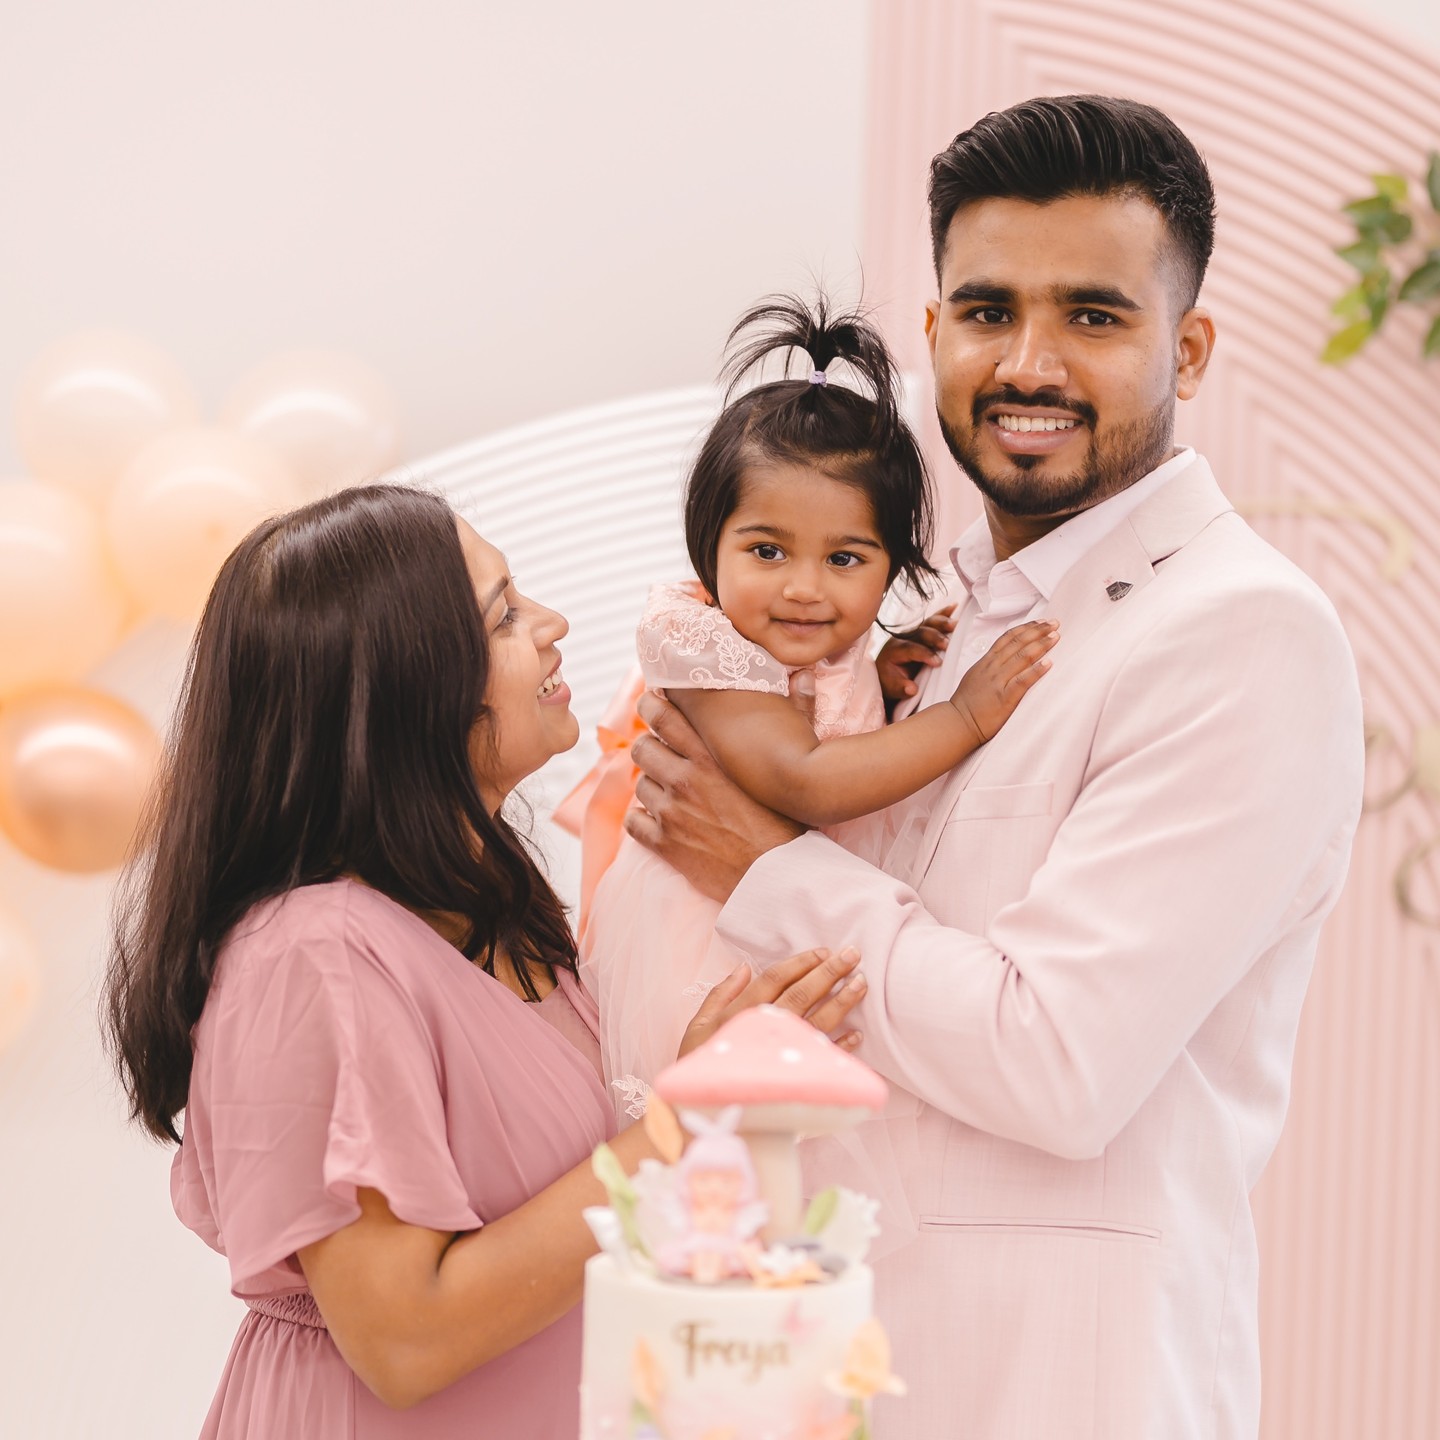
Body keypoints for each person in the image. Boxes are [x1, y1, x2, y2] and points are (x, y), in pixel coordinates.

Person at [622, 95, 1366, 1438]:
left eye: (1094, 315)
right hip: (825, 1364)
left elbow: (1057, 1060)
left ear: (1188, 350)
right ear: (932, 337)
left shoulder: (1243, 634)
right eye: (986, 312)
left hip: (1059, 1391)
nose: (1030, 362)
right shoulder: (923, 633)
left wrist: (766, 867)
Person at [101, 484, 866, 1440]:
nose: (553, 625)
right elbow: (405, 1343)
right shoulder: (314, 954)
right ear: (406, 690)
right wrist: (686, 1123)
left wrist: (692, 1090)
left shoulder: (497, 914)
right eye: (503, 615)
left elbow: (558, 1213)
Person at [557, 293, 1057, 1120]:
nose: (802, 587)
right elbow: (806, 774)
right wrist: (963, 715)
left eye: (846, 558)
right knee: (724, 1156)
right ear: (706, 543)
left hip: (774, 919)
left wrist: (878, 674)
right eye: (765, 550)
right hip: (701, 939)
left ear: (891, 567)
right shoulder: (704, 648)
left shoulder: (817, 649)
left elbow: (826, 720)